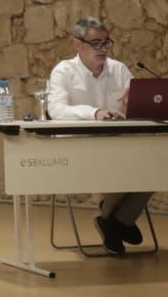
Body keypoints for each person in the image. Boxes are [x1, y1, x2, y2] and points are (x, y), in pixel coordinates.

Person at [45, 16, 152, 255]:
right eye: (96, 43)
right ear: (76, 44)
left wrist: (140, 103)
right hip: (77, 148)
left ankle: (112, 221)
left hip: (117, 145)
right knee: (121, 167)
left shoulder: (119, 69)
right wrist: (94, 113)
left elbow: (135, 111)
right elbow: (56, 110)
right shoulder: (63, 71)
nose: (103, 49)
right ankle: (119, 220)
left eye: (106, 43)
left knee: (153, 165)